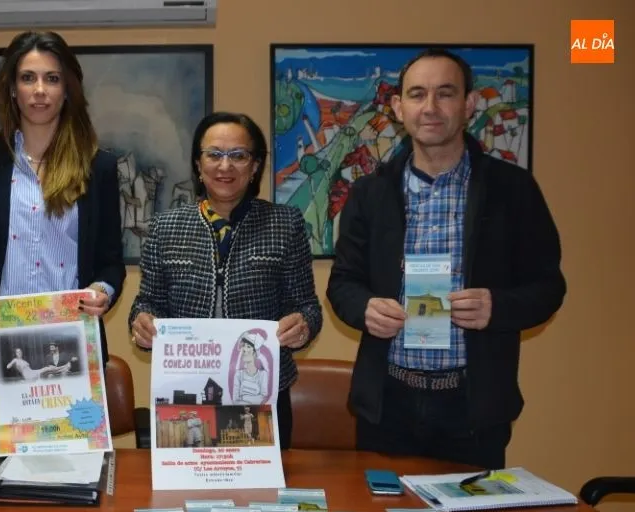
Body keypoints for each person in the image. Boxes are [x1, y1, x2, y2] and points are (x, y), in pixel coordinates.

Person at [326, 48, 566, 470]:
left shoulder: (513, 189)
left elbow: (548, 287)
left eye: (446, 93)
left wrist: (497, 306)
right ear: (399, 107)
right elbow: (343, 283)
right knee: (381, 510)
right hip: (387, 405)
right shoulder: (369, 193)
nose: (430, 107)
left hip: (473, 408)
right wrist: (364, 308)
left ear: (469, 104)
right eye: (417, 94)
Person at [0, 30, 126, 448]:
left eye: (52, 78)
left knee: (71, 471)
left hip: (68, 354)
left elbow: (110, 261)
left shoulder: (98, 167)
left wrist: (103, 290)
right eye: (28, 78)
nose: (40, 90)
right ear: (12, 89)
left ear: (67, 90)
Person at [128, 111, 324, 450]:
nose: (225, 165)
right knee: (187, 480)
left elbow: (307, 306)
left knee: (260, 483)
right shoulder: (165, 227)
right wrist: (141, 322)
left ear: (255, 166)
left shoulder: (284, 224)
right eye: (214, 154)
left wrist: (304, 325)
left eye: (238, 155)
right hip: (187, 390)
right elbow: (147, 302)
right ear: (198, 164)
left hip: (263, 394)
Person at [233, 331, 269, 405]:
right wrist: (255, 398)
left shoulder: (263, 375)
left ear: (255, 353)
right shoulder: (238, 375)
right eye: (244, 346)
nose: (244, 349)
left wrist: (243, 398)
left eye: (248, 347)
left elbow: (263, 398)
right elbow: (235, 401)